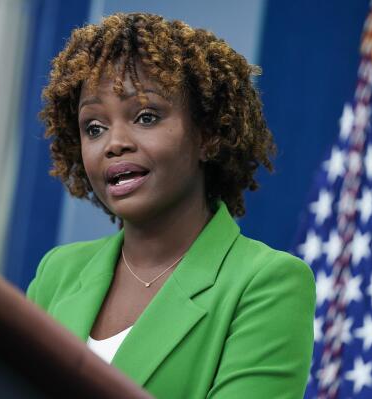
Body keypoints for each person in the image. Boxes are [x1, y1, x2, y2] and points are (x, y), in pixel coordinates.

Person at [26, 12, 315, 398]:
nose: (114, 143)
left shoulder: (266, 283)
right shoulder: (58, 272)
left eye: (146, 117)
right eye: (94, 127)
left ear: (208, 134)